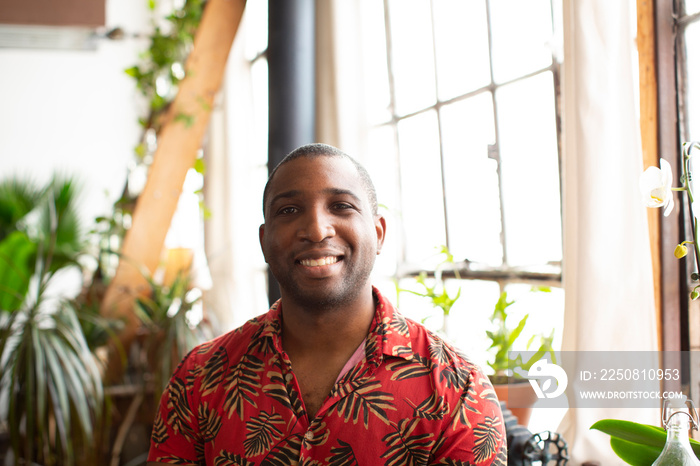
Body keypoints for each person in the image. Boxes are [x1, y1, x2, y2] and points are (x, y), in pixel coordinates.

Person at [147, 143, 507, 465]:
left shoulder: (458, 390)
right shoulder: (198, 380)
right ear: (264, 240)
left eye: (341, 206)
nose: (317, 229)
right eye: (289, 210)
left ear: (378, 233)